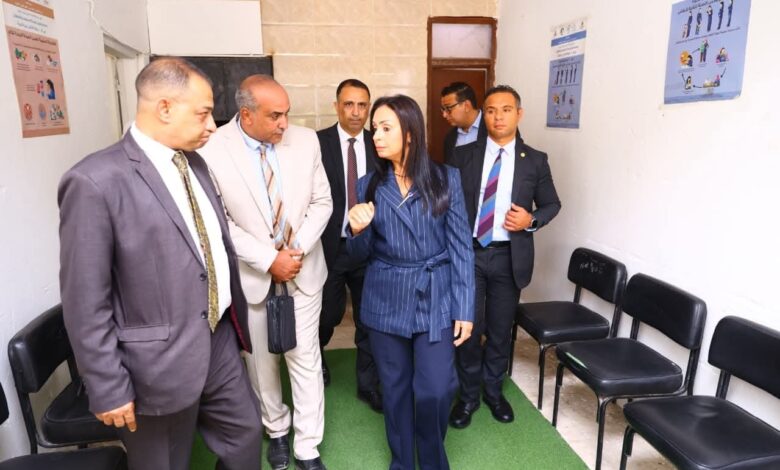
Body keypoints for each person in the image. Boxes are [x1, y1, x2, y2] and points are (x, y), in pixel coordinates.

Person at [58, 57, 262, 470]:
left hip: (217, 338)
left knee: (244, 436)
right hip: (153, 363)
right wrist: (108, 385)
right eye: (203, 114)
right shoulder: (96, 181)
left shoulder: (194, 162)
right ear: (164, 107)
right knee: (164, 463)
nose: (213, 126)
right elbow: (85, 300)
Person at [199, 74, 332, 470]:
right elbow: (219, 221)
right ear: (246, 114)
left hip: (303, 270)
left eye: (287, 114)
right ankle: (276, 429)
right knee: (260, 363)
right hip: (253, 278)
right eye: (275, 116)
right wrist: (268, 260)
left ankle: (307, 446)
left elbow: (322, 202)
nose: (284, 124)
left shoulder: (306, 141)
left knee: (304, 357)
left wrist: (294, 251)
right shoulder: (212, 149)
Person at [347, 94, 474, 470]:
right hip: (386, 297)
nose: (375, 136)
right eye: (374, 129)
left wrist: (465, 308)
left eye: (385, 128)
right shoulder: (368, 185)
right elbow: (358, 256)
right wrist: (357, 230)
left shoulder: (445, 179)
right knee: (396, 389)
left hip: (435, 294)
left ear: (410, 133)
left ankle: (432, 461)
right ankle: (402, 462)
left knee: (436, 388)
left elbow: (461, 247)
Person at [448, 85, 561, 429]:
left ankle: (494, 392)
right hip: (469, 255)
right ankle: (468, 396)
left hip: (509, 256)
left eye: (506, 110)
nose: (498, 117)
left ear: (519, 114)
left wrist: (530, 220)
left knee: (499, 330)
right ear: (484, 114)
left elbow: (552, 204)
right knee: (468, 328)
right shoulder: (462, 156)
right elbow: (447, 204)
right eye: (492, 110)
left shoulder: (535, 160)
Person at [317, 78, 383, 411]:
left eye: (362, 105)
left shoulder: (380, 144)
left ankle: (368, 385)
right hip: (330, 247)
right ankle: (316, 360)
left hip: (368, 248)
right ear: (337, 106)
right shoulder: (318, 143)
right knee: (327, 315)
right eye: (349, 104)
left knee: (368, 319)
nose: (356, 112)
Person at [440, 82, 486, 163]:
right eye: (443, 109)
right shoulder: (450, 138)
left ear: (467, 106)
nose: (444, 115)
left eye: (448, 108)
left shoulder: (492, 127)